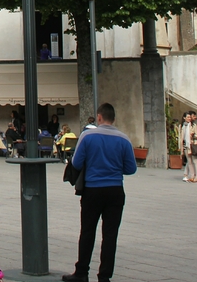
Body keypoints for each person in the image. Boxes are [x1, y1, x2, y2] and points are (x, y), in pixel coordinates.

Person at [62, 103, 137, 282]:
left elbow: (77, 163)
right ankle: (104, 276)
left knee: (87, 231)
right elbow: (131, 168)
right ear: (114, 119)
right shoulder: (124, 139)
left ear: (99, 117)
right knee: (110, 235)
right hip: (115, 190)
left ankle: (81, 272)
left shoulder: (88, 136)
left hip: (93, 190)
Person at [180, 112, 197, 184]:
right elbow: (181, 137)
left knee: (195, 161)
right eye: (188, 117)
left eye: (190, 117)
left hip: (193, 145)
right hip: (186, 146)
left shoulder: (193, 125)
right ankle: (192, 176)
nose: (189, 118)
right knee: (189, 162)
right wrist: (181, 147)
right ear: (184, 118)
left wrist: (193, 136)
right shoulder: (183, 126)